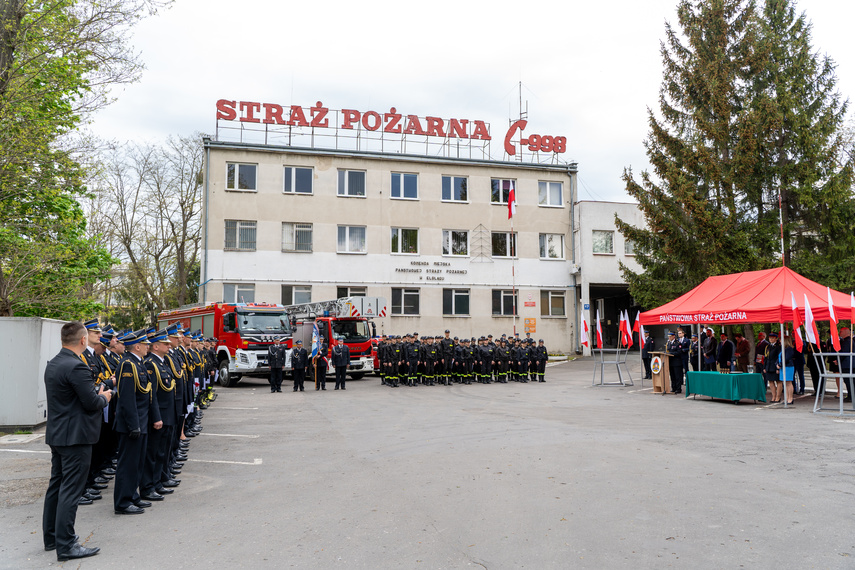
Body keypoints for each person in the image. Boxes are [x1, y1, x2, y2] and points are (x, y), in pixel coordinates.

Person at [43, 321, 111, 561]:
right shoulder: (76, 366)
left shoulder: (54, 364)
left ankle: (51, 538)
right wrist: (105, 397)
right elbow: (92, 404)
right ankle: (67, 545)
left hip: (59, 434)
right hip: (76, 437)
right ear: (83, 340)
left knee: (57, 487)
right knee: (70, 490)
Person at [114, 330, 160, 515]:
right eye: (145, 344)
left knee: (138, 463)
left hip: (141, 422)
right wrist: (134, 425)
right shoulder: (127, 365)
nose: (148, 346)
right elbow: (126, 399)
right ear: (137, 346)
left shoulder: (138, 364)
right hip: (131, 425)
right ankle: (122, 502)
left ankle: (132, 496)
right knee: (128, 464)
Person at [140, 329, 175, 502]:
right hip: (159, 415)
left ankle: (158, 481)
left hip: (167, 414)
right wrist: (156, 417)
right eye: (165, 343)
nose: (169, 345)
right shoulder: (150, 364)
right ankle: (148, 486)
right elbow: (151, 394)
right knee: (152, 453)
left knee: (161, 452)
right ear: (155, 346)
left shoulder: (161, 362)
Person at [776, 335, 796, 405]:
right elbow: (779, 358)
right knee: (784, 383)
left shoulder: (789, 349)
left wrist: (780, 364)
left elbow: (787, 358)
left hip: (788, 367)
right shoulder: (782, 348)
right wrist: (777, 364)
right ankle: (787, 398)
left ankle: (790, 398)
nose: (780, 341)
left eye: (781, 340)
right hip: (782, 367)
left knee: (788, 383)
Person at [764, 332, 782, 402]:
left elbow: (779, 357)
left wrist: (778, 367)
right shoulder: (768, 346)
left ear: (776, 339)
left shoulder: (778, 346)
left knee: (778, 382)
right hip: (768, 366)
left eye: (772, 338)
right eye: (770, 338)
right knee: (771, 382)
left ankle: (778, 397)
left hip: (775, 366)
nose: (771, 339)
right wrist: (764, 367)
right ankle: (773, 396)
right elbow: (766, 357)